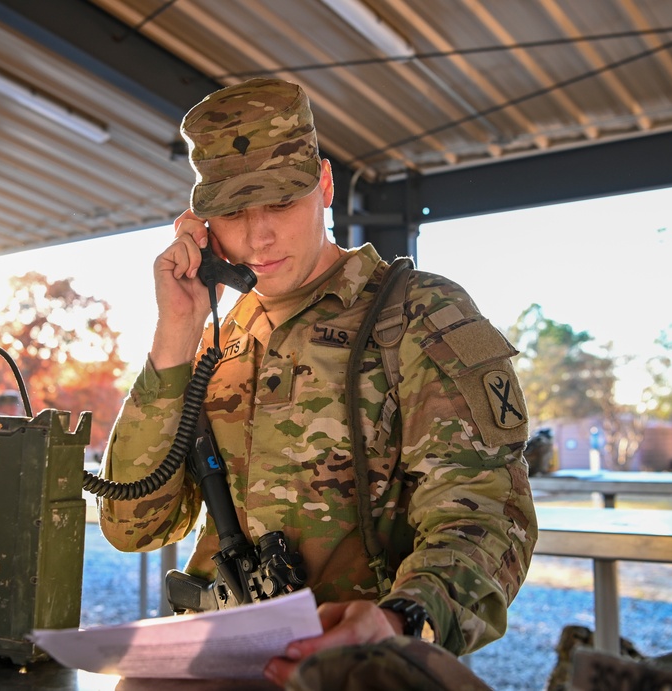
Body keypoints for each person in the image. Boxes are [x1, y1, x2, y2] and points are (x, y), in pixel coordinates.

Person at [98, 78, 537, 688]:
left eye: (280, 202)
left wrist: (401, 621)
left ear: (324, 185)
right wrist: (175, 331)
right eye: (231, 213)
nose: (257, 237)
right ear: (200, 226)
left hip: (352, 671)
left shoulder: (414, 316)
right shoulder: (214, 341)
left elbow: (486, 517)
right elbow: (132, 526)